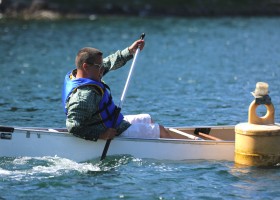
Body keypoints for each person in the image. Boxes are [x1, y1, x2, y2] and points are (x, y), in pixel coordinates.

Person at [62, 39, 173, 141]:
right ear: (86, 66)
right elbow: (73, 127)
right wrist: (102, 135)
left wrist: (130, 51)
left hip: (115, 122)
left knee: (147, 119)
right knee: (161, 130)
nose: (102, 68)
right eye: (99, 66)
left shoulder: (88, 73)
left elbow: (109, 62)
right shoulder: (84, 95)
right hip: (112, 131)